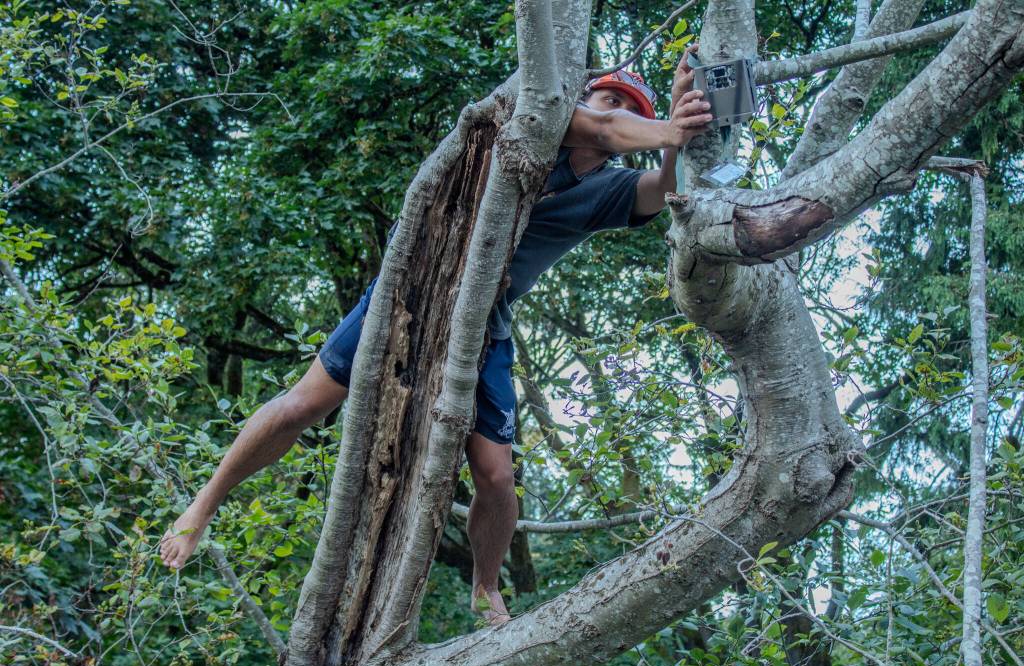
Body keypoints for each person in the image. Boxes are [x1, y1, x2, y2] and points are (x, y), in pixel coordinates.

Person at [160, 48, 711, 626]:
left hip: (485, 322)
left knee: (497, 475)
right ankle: (202, 506)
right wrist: (667, 124)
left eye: (631, 104)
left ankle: (486, 585)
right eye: (610, 97)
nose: (616, 108)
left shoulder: (609, 191)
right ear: (583, 98)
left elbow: (664, 186)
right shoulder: (544, 124)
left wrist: (679, 124)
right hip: (412, 288)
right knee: (304, 404)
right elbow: (602, 128)